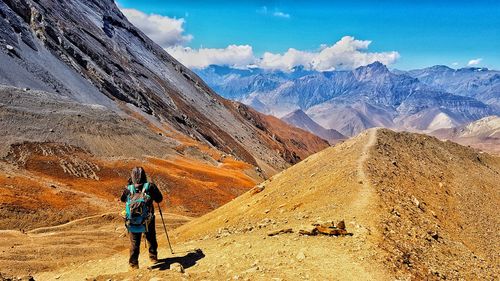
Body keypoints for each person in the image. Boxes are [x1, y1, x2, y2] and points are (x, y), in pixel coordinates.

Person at [120, 167, 163, 269]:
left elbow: (122, 199)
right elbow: (159, 199)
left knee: (134, 242)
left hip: (132, 220)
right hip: (148, 218)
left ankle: (133, 264)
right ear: (144, 175)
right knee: (151, 238)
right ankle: (153, 257)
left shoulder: (128, 188)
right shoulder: (150, 186)